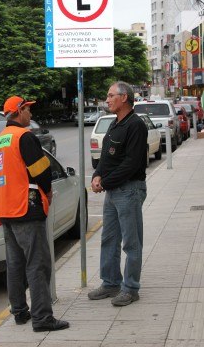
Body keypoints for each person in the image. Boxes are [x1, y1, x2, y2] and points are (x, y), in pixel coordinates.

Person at [0, 95, 69, 332]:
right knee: (38, 264)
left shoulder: (0, 140)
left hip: (5, 209)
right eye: (28, 110)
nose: (31, 114)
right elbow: (41, 171)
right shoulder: (24, 137)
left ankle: (19, 312)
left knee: (15, 264)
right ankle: (43, 318)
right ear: (18, 111)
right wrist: (48, 191)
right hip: (25, 208)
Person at [88, 81, 148, 306]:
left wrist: (104, 182)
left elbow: (131, 164)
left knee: (131, 242)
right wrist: (97, 174)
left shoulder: (136, 125)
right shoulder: (115, 124)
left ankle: (131, 288)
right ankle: (111, 282)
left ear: (124, 98)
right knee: (109, 239)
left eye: (111, 95)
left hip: (129, 190)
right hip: (113, 190)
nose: (107, 99)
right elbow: (106, 157)